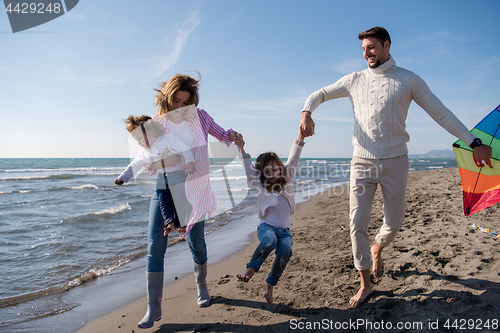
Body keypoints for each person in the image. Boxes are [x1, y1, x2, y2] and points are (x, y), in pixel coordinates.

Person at [299, 26, 493, 307]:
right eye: (363, 49)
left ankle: (378, 247)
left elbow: (441, 113)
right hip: (362, 161)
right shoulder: (354, 80)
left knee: (394, 222)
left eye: (372, 47)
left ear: (386, 45)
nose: (366, 53)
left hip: (396, 161)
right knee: (356, 222)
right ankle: (365, 284)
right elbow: (320, 93)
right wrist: (307, 112)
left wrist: (474, 143)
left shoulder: (408, 80)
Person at [115, 73, 242, 329]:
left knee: (196, 242)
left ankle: (201, 285)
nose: (180, 107)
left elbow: (220, 133)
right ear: (167, 98)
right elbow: (148, 161)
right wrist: (172, 162)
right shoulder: (156, 123)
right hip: (164, 187)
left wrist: (233, 135)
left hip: (195, 188)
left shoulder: (201, 116)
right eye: (176, 101)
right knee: (155, 246)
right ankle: (153, 308)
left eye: (186, 102)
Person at [236, 132, 305, 304]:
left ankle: (270, 284)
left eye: (275, 169)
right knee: (269, 241)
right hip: (266, 228)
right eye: (267, 171)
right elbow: (248, 169)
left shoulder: (287, 178)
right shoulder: (259, 184)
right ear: (261, 173)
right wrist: (241, 149)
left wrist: (300, 140)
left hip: (285, 232)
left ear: (281, 168)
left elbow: (294, 158)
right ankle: (250, 270)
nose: (272, 173)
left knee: (286, 250)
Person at [115, 115, 196, 233]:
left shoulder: (166, 139)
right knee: (163, 201)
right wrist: (123, 178)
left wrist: (190, 161)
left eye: (140, 139)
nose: (139, 143)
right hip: (161, 179)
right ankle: (170, 223)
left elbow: (183, 148)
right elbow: (135, 164)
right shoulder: (145, 151)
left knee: (179, 199)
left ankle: (182, 224)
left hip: (177, 175)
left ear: (151, 132)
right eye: (136, 140)